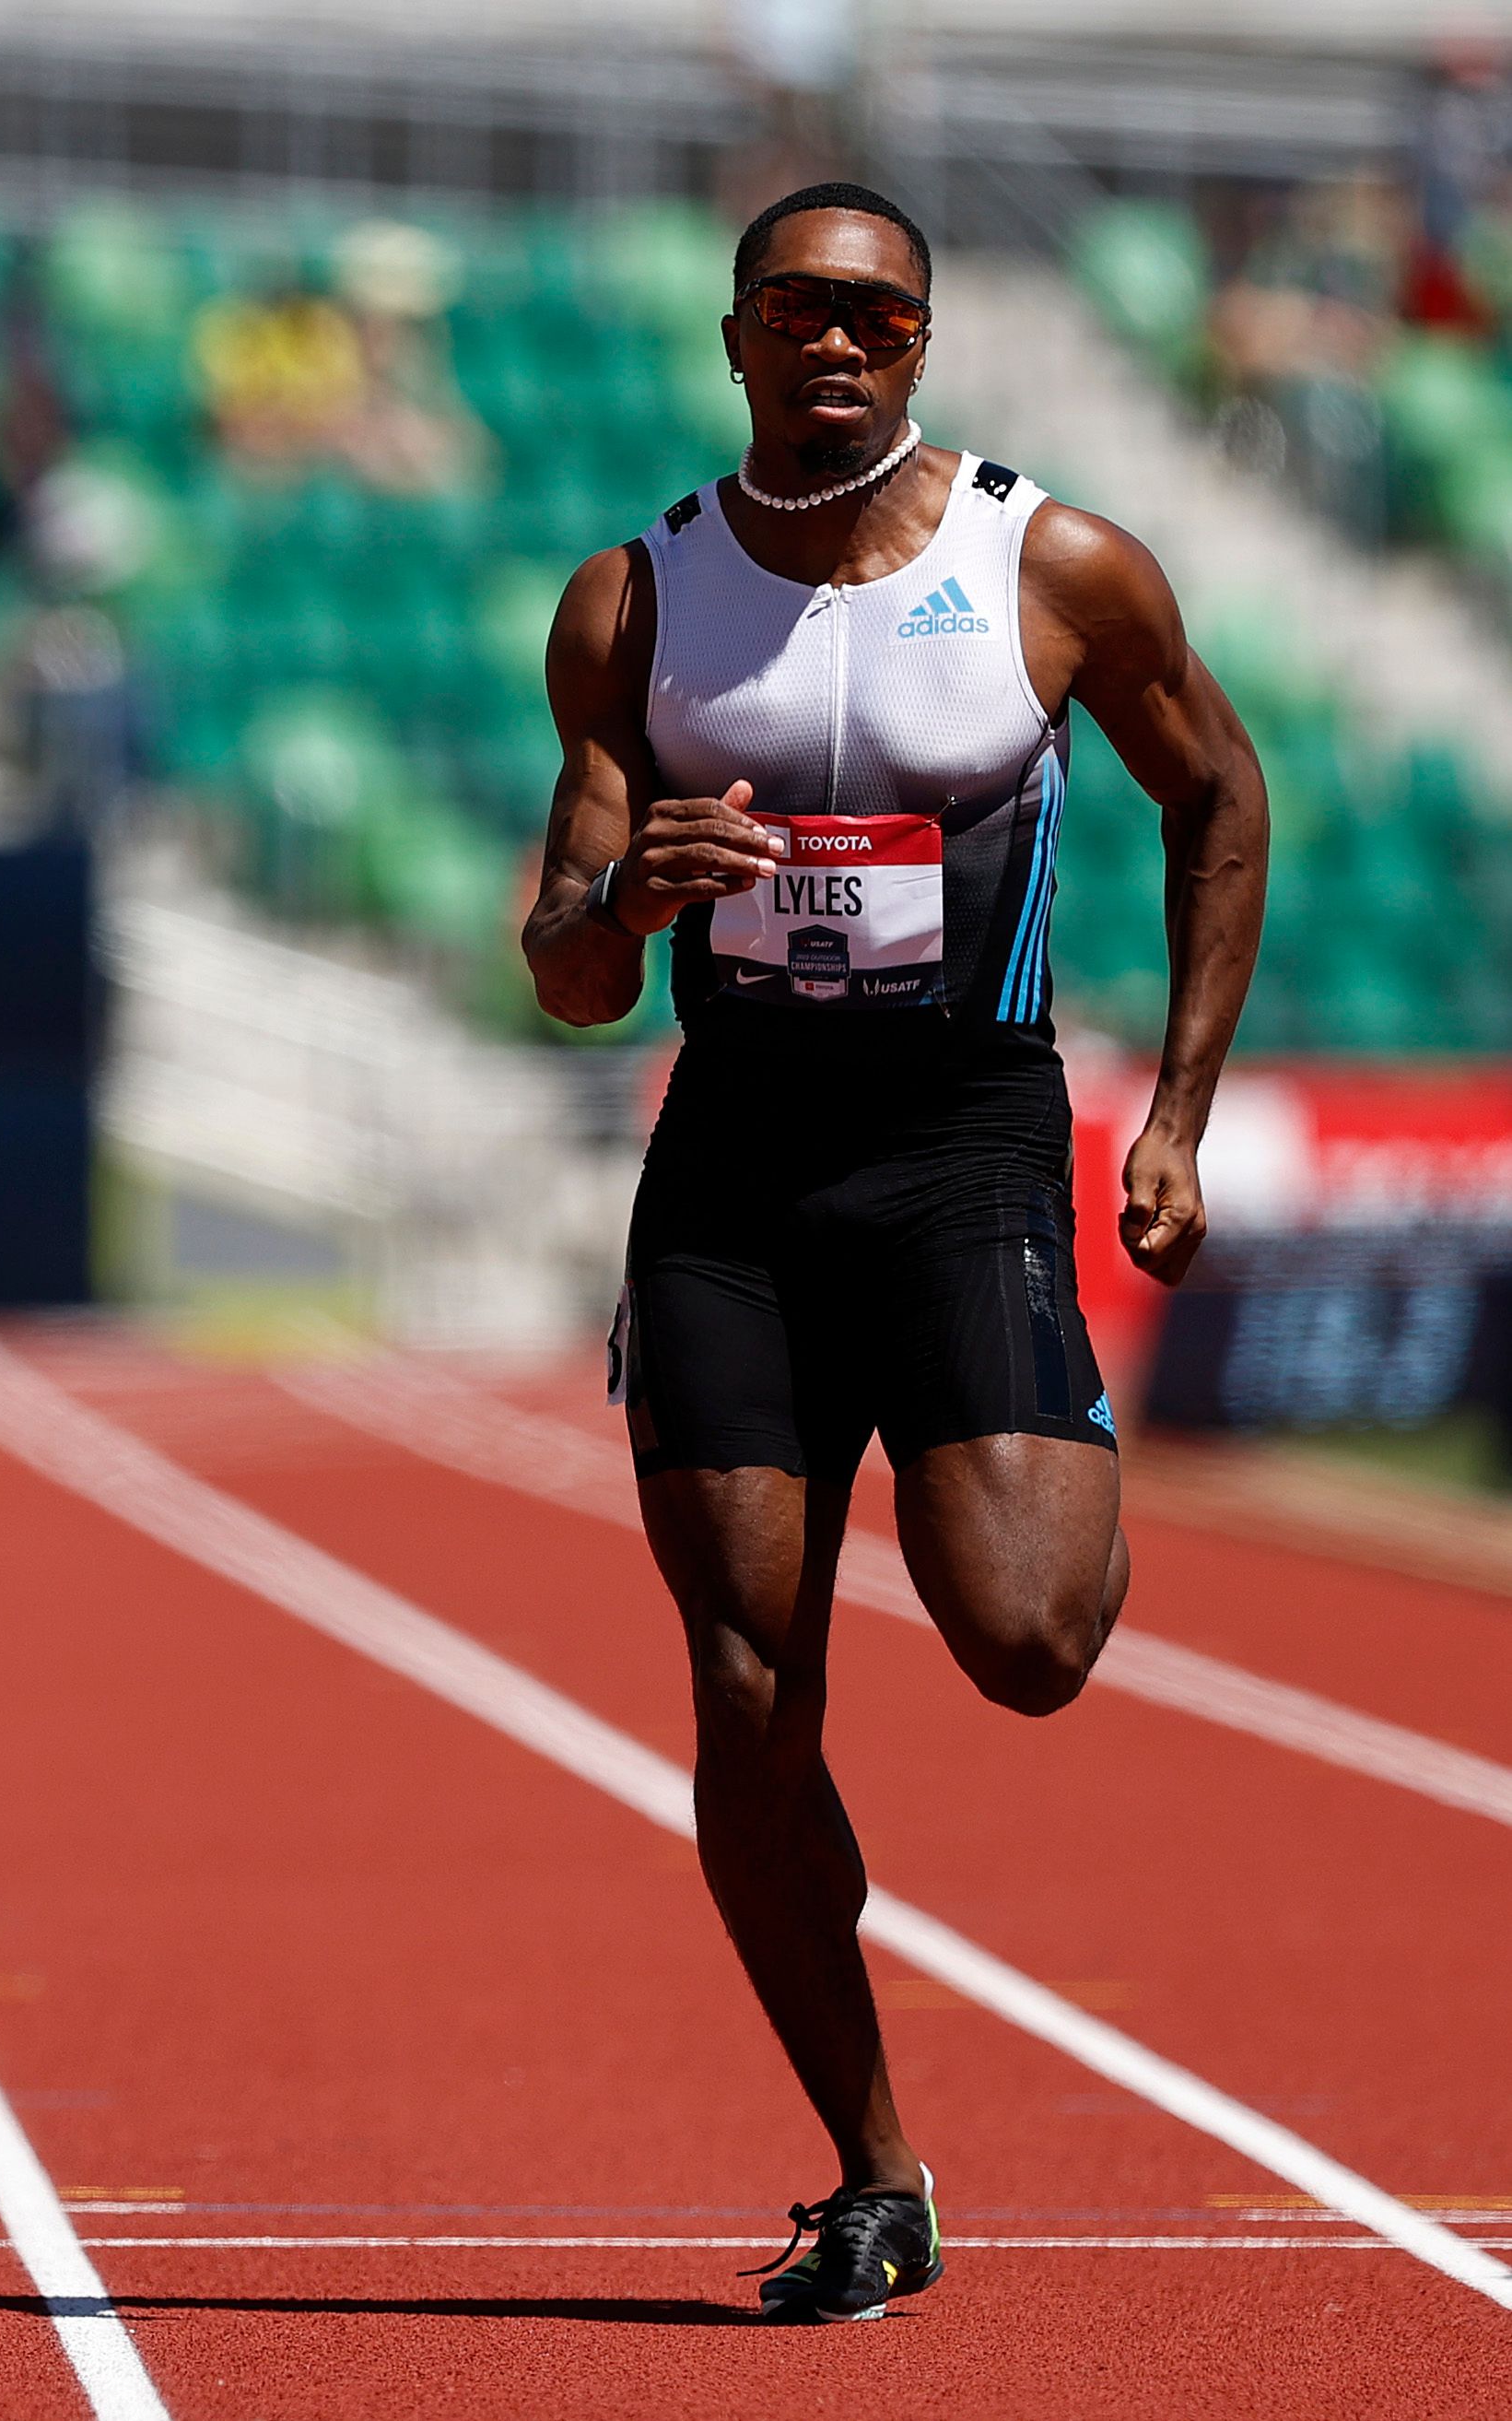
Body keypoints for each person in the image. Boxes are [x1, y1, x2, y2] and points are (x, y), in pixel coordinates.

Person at [524, 182, 1268, 2322]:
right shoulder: (630, 612)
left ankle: (1032, 1409)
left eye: (880, 314)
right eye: (800, 308)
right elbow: (567, 976)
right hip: (734, 1178)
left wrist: (1186, 1107)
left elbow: (1219, 794)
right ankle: (870, 2168)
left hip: (964, 1154)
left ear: (922, 348)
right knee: (750, 1693)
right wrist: (628, 899)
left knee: (1030, 1636)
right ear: (737, 335)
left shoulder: (1053, 567)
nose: (839, 342)